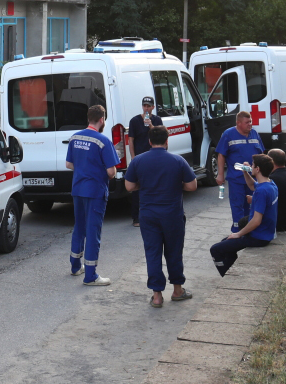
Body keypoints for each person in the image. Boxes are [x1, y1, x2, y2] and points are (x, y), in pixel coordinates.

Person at [124, 125, 197, 308]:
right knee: (174, 252)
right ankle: (177, 290)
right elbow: (192, 186)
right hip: (172, 215)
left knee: (152, 253)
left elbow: (129, 186)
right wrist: (176, 185)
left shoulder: (138, 161)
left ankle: (157, 296)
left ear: (149, 141)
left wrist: (143, 185)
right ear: (167, 141)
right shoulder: (178, 160)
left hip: (148, 215)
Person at [66, 104, 120, 286]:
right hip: (95, 191)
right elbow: (111, 172)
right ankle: (90, 276)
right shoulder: (103, 141)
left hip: (78, 189)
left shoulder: (75, 137)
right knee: (93, 231)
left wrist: (84, 169)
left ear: (88, 118)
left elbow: (69, 164)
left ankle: (75, 266)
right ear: (102, 120)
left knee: (79, 227)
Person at [209, 154, 279, 277]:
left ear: (257, 169)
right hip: (266, 232)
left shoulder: (261, 191)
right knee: (226, 243)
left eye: (253, 165)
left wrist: (239, 234)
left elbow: (256, 221)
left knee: (215, 249)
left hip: (259, 236)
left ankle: (227, 276)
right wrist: (245, 172)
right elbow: (252, 185)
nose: (251, 166)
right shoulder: (270, 184)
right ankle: (232, 270)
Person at [215, 111, 265, 232]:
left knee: (253, 204)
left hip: (253, 179)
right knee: (237, 205)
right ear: (238, 123)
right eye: (247, 122)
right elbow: (221, 155)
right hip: (236, 179)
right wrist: (220, 174)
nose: (250, 124)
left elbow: (262, 154)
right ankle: (238, 230)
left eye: (250, 121)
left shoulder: (254, 134)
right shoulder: (228, 134)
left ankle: (250, 229)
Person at [126, 96, 163, 227]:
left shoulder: (157, 120)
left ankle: (155, 215)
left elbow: (160, 136)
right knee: (137, 187)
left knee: (155, 185)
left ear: (153, 107)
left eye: (149, 106)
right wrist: (133, 157)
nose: (146, 108)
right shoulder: (135, 121)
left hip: (154, 157)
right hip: (140, 158)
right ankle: (136, 217)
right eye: (144, 106)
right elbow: (131, 140)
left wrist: (151, 125)